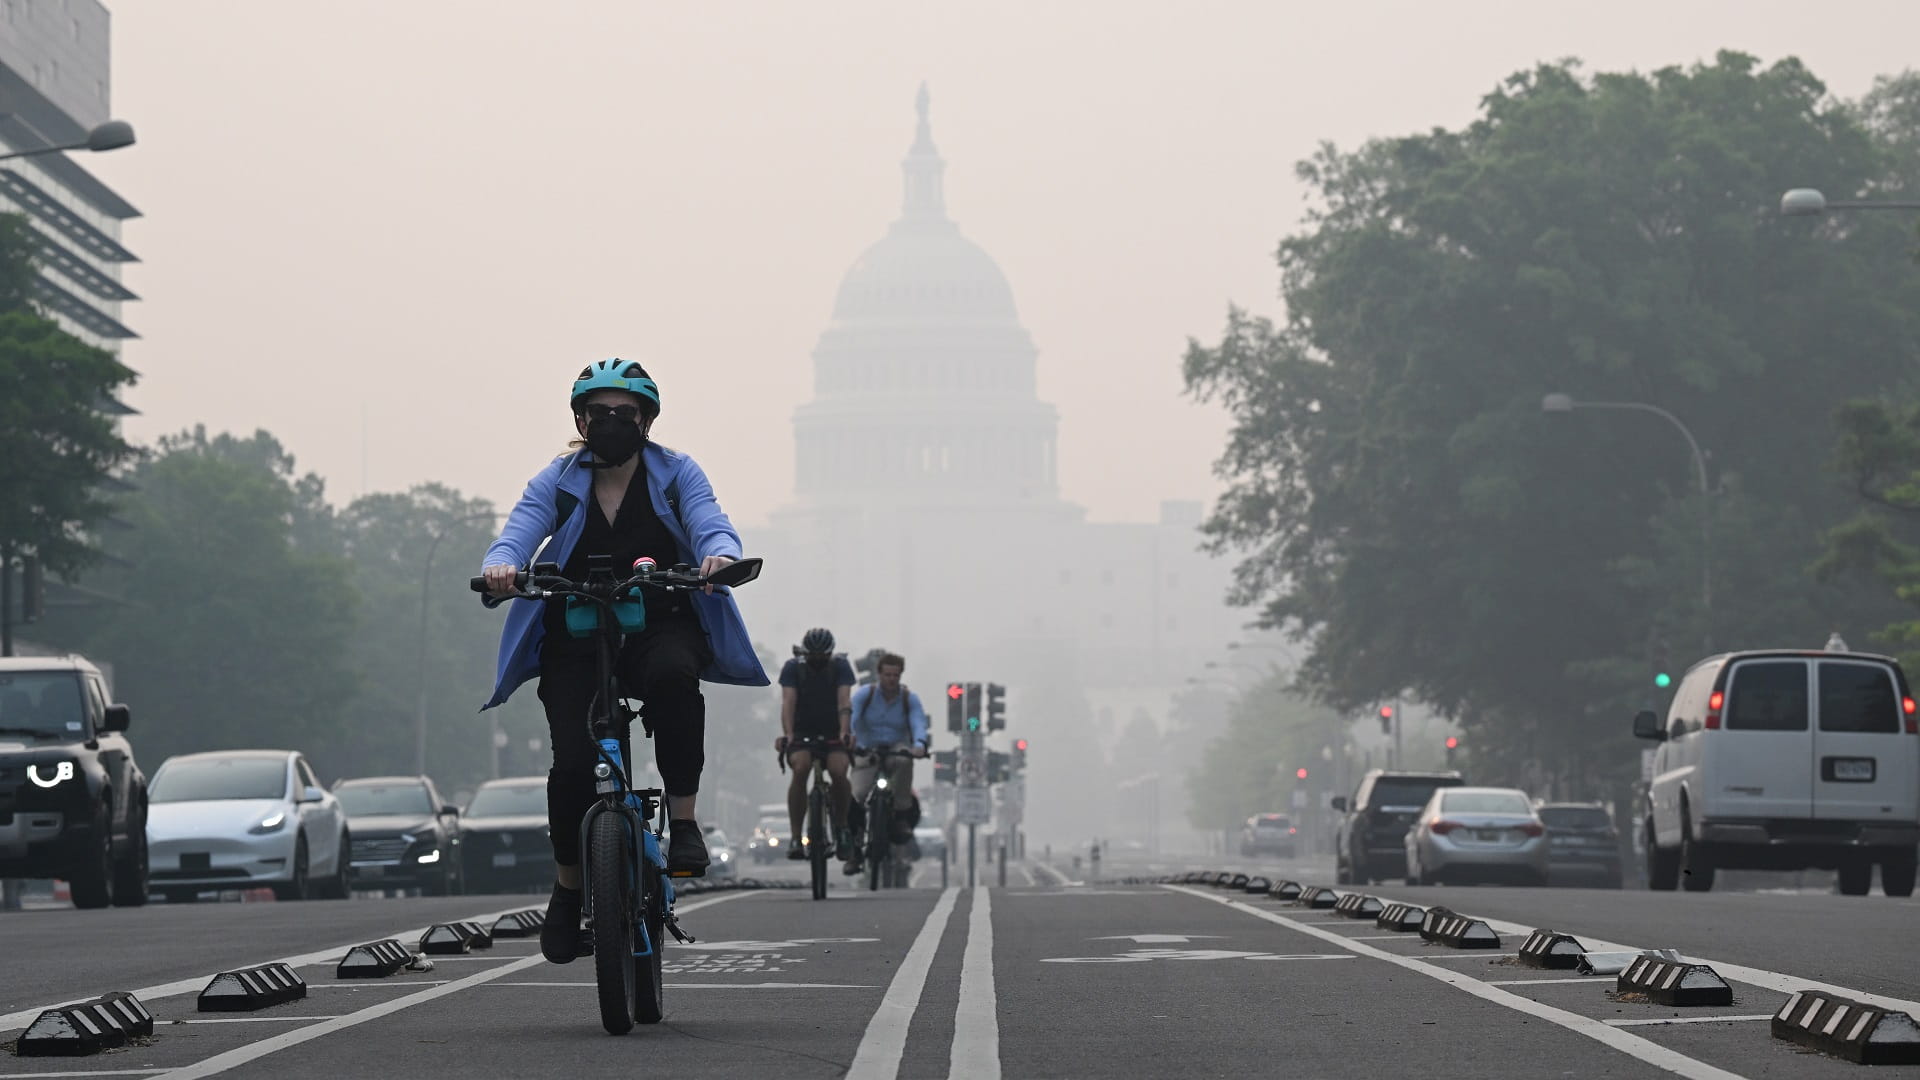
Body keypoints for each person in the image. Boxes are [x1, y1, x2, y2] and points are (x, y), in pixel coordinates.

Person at [478, 358, 768, 965]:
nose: (611, 422)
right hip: (578, 632)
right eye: (599, 412)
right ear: (580, 421)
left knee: (675, 679)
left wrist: (719, 556)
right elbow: (520, 530)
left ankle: (684, 822)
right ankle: (568, 888)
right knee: (571, 765)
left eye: (625, 413)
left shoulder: (677, 473)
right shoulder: (557, 481)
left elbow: (710, 522)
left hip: (660, 623)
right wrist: (502, 566)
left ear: (647, 421)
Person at [843, 652, 929, 873]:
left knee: (904, 761)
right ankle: (854, 848)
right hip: (867, 750)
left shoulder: (909, 699)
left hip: (894, 750)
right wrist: (850, 738)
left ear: (900, 676)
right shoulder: (865, 695)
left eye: (895, 675)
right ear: (879, 674)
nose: (891, 679)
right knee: (856, 796)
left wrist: (919, 744)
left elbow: (918, 722)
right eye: (887, 675)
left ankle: (900, 815)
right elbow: (852, 718)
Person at [776, 627, 855, 859]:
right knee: (800, 768)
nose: (818, 660)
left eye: (823, 656)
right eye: (814, 656)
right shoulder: (793, 668)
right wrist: (789, 734)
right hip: (802, 731)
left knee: (838, 771)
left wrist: (844, 731)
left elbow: (844, 701)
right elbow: (788, 702)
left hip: (833, 731)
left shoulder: (840, 666)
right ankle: (796, 836)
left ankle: (842, 826)